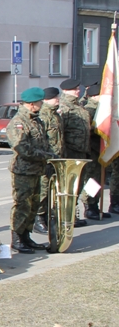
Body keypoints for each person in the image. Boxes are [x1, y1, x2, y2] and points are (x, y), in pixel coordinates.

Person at [6, 88, 54, 254]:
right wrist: (46, 156)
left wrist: (47, 158)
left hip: (36, 170)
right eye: (40, 102)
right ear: (32, 104)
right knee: (22, 205)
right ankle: (17, 239)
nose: (41, 105)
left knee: (33, 205)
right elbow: (23, 149)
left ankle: (26, 236)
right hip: (23, 171)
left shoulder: (37, 121)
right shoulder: (19, 122)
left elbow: (44, 142)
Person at [59, 78, 92, 227]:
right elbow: (60, 134)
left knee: (77, 186)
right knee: (69, 187)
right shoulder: (64, 108)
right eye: (75, 89)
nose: (78, 91)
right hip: (70, 153)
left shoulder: (78, 107)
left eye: (78, 89)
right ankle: (66, 216)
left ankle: (73, 214)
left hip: (82, 152)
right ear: (66, 91)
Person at [33, 87, 65, 234]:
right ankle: (38, 219)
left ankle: (46, 216)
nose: (57, 100)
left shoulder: (55, 116)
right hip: (46, 160)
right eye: (54, 98)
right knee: (43, 191)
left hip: (56, 160)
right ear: (45, 100)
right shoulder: (43, 116)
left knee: (52, 190)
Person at [82, 84, 105, 220]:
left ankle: (95, 205)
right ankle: (89, 206)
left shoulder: (101, 109)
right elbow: (86, 131)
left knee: (97, 178)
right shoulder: (89, 110)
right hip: (91, 149)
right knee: (91, 179)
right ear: (94, 96)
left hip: (99, 150)